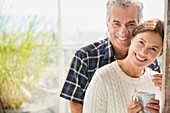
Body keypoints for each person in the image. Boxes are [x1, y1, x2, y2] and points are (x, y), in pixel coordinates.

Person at [60, 0, 162, 113]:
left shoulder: (149, 61)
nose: (123, 32)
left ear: (139, 27)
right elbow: (75, 102)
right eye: (116, 24)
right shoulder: (85, 57)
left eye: (131, 24)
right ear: (108, 25)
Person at [83, 19, 164, 113]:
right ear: (132, 39)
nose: (143, 52)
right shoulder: (103, 77)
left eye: (153, 49)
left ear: (160, 54)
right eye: (141, 42)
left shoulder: (159, 84)